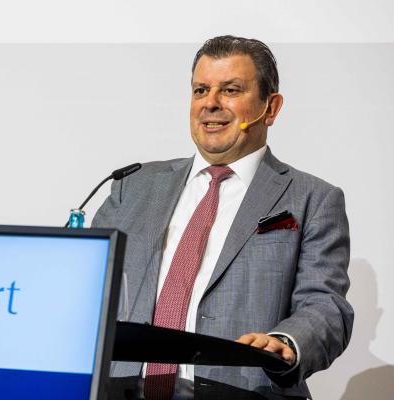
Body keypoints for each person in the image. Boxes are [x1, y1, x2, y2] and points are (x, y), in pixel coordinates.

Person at [92, 35, 354, 400]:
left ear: (271, 108)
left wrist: (286, 342)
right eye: (200, 90)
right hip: (121, 391)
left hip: (244, 390)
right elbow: (89, 289)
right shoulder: (132, 186)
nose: (210, 103)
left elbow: (325, 306)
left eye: (230, 90)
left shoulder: (313, 198)